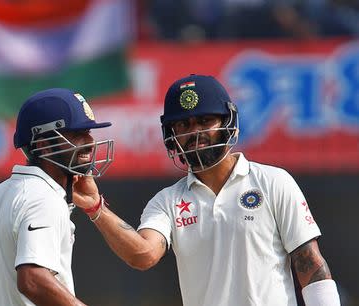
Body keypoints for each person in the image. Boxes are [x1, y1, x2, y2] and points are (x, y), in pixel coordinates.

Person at [72, 75, 341, 306]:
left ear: (228, 122)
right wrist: (97, 208)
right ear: (171, 136)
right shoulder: (167, 201)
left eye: (205, 120)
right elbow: (143, 255)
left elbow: (311, 266)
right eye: (184, 125)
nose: (196, 132)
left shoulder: (272, 182)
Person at [0, 88, 114, 306]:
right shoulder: (43, 198)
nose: (90, 141)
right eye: (77, 134)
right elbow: (32, 279)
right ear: (42, 144)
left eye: (88, 132)